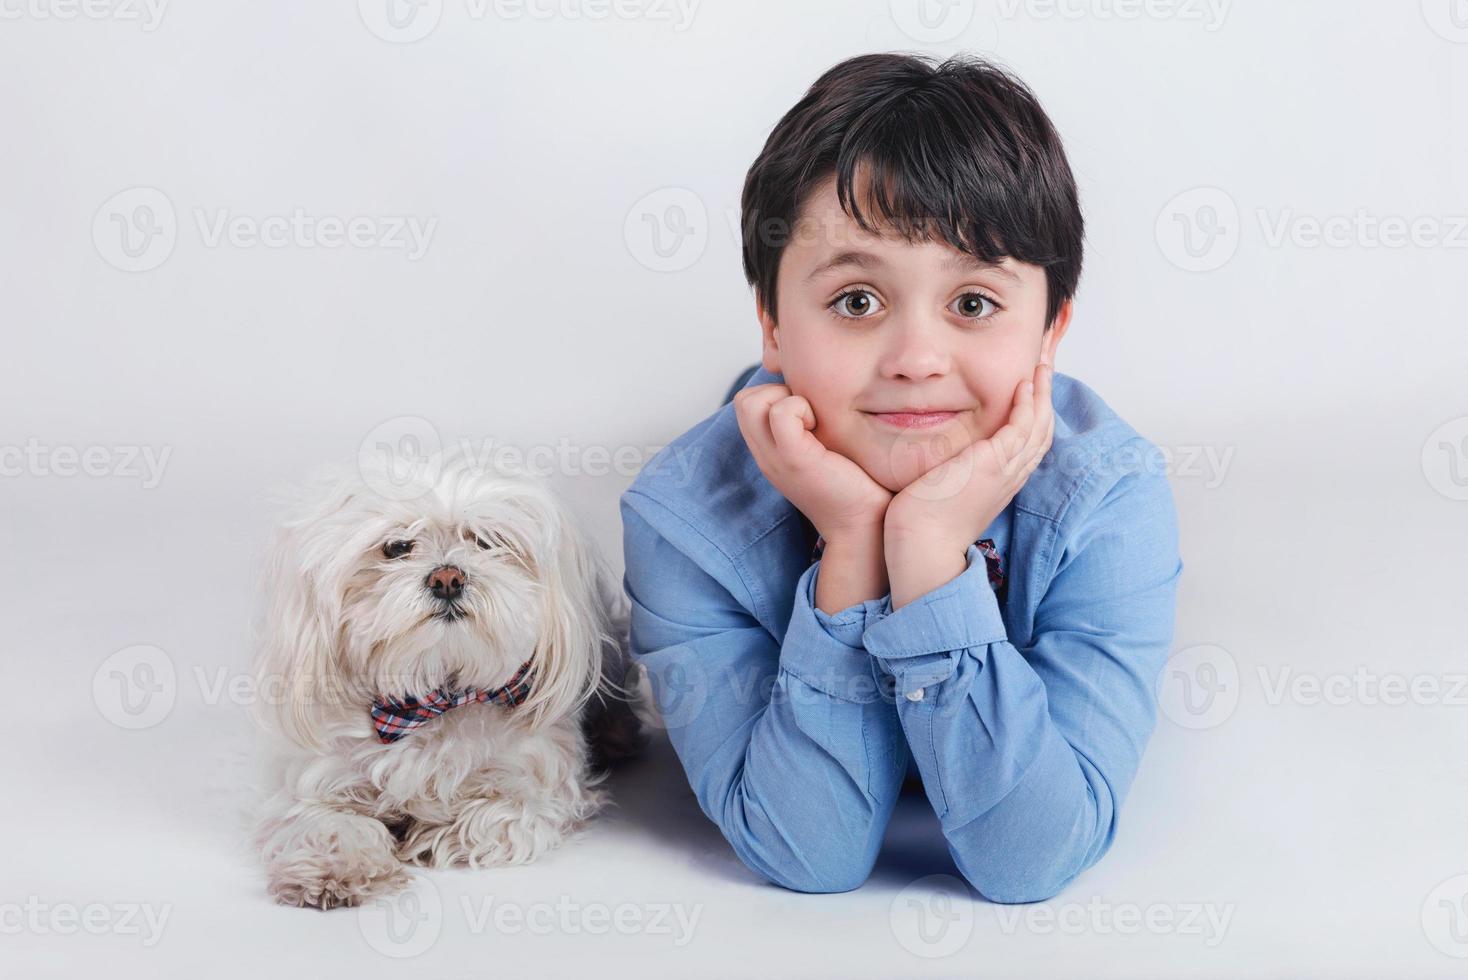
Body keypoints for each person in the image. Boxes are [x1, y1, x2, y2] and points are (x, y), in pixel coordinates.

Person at [619, 52, 1183, 903]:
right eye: (856, 301)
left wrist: (926, 551)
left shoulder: (1110, 496)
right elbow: (810, 851)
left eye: (974, 304)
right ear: (772, 324)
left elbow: (1030, 857)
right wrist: (853, 544)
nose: (917, 361)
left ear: (1049, 332)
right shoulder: (686, 520)